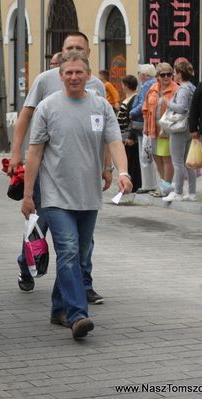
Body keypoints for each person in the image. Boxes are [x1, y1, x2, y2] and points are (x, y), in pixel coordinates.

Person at [21, 51, 132, 339]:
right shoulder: (47, 107)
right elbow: (34, 153)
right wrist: (27, 195)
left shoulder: (101, 106)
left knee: (79, 255)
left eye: (78, 72)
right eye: (68, 72)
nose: (73, 77)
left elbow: (115, 141)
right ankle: (77, 315)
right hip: (56, 195)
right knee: (68, 251)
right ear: (60, 75)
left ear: (88, 75)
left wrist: (122, 172)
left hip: (89, 195)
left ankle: (58, 308)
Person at [8, 32, 108, 304]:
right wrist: (16, 152)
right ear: (61, 53)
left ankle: (83, 284)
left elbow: (104, 130)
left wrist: (106, 165)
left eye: (79, 47)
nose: (74, 51)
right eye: (69, 47)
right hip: (47, 171)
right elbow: (25, 116)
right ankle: (28, 264)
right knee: (42, 225)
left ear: (88, 51)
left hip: (83, 172)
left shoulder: (96, 85)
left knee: (78, 240)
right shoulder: (45, 80)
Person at [162, 61, 197, 202]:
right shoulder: (192, 87)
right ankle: (192, 193)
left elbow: (182, 108)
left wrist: (167, 102)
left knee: (177, 162)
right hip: (189, 128)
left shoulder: (183, 89)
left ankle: (178, 192)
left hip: (179, 128)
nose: (173, 75)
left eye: (175, 73)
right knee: (188, 162)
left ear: (180, 74)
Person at [142, 62, 178, 197]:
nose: (166, 77)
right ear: (158, 76)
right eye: (163, 75)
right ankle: (164, 186)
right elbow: (145, 109)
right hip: (152, 128)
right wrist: (145, 127)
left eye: (169, 74)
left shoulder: (176, 89)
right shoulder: (153, 88)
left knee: (166, 158)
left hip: (167, 130)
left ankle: (166, 187)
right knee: (157, 157)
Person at [129, 64, 158, 194]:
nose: (139, 75)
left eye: (139, 72)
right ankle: (151, 184)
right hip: (148, 122)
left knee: (145, 155)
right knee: (149, 154)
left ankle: (147, 185)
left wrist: (131, 112)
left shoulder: (147, 85)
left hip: (143, 123)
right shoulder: (154, 83)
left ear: (144, 75)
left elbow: (142, 104)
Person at [117, 74, 142, 191]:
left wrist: (131, 136)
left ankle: (133, 185)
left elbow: (133, 120)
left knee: (132, 162)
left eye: (123, 84)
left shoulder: (134, 99)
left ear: (125, 85)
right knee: (128, 160)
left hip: (128, 137)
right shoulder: (128, 98)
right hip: (123, 136)